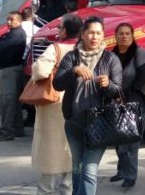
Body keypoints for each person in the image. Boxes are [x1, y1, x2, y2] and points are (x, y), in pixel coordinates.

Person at [53, 16, 122, 195]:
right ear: (83, 34)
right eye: (91, 32)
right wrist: (73, 71)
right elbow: (57, 84)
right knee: (77, 166)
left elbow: (118, 90)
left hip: (100, 123)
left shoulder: (110, 58)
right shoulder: (72, 57)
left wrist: (108, 85)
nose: (94, 37)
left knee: (89, 169)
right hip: (74, 121)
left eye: (98, 33)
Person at [31, 14, 82, 195]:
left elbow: (40, 69)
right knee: (71, 154)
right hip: (79, 103)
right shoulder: (83, 49)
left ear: (66, 30)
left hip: (55, 103)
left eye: (60, 27)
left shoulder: (56, 48)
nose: (58, 30)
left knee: (51, 156)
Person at [110, 22, 145, 188]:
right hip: (116, 103)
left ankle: (130, 175)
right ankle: (121, 170)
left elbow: (144, 77)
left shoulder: (139, 53)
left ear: (133, 36)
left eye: (127, 33)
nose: (124, 36)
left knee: (131, 142)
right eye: (121, 33)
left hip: (135, 104)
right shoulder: (111, 54)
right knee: (119, 140)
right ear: (116, 36)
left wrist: (127, 96)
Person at [0, 11, 27, 141]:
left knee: (7, 101)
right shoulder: (14, 34)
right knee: (14, 102)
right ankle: (17, 128)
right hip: (13, 69)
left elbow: (0, 46)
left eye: (11, 19)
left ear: (19, 20)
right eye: (7, 19)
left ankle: (6, 131)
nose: (8, 22)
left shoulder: (16, 34)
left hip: (9, 70)